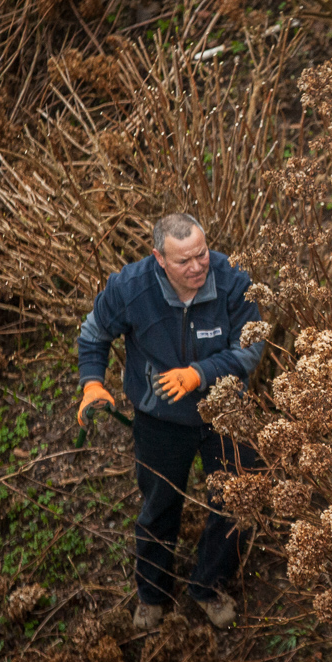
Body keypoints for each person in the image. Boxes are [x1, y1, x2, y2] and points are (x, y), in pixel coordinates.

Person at [76, 213, 264, 631]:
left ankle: (208, 586)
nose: (198, 267)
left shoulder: (232, 280)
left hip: (224, 411)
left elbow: (251, 351)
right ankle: (152, 594)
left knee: (238, 498)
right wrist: (92, 384)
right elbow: (93, 335)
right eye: (184, 261)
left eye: (202, 254)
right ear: (159, 258)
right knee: (160, 505)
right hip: (160, 418)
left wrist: (200, 373)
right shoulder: (130, 286)